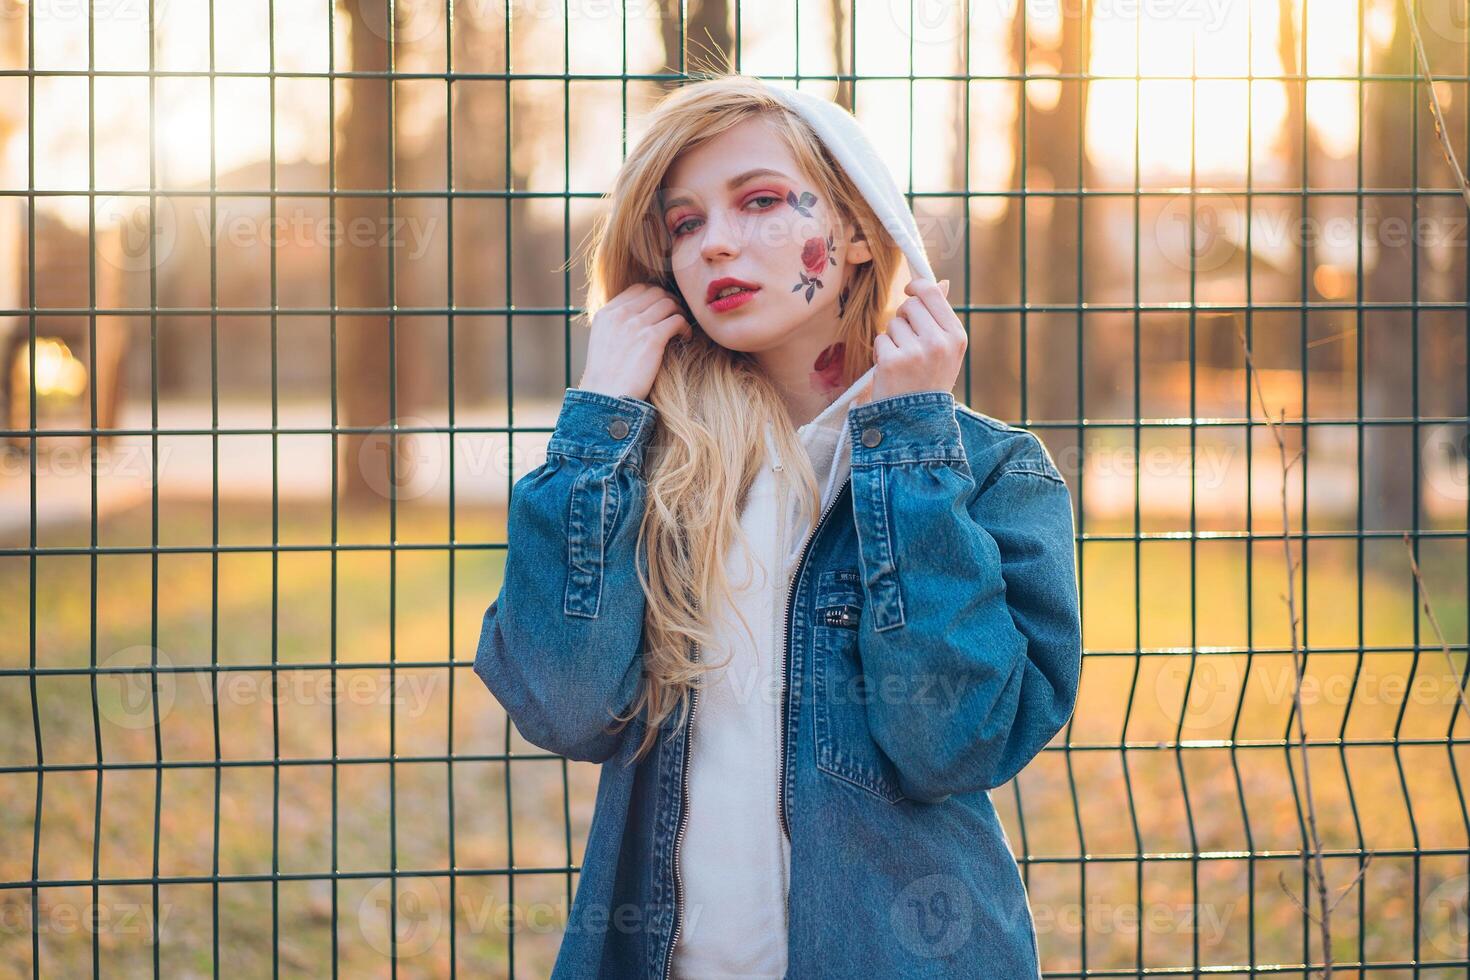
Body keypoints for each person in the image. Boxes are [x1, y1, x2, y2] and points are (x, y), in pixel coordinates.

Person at [473, 71, 1082, 979]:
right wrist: (597, 422)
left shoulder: (991, 472)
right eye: (684, 224)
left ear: (860, 234)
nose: (716, 244)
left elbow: (956, 740)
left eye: (758, 202)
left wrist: (910, 445)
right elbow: (567, 708)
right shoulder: (645, 473)